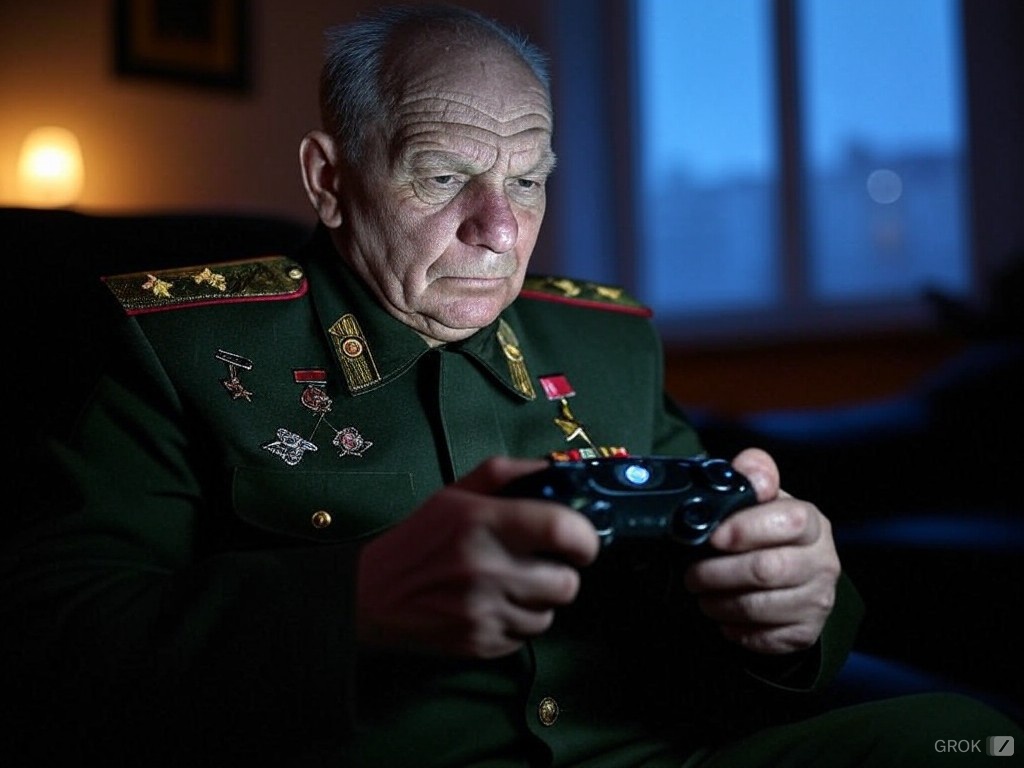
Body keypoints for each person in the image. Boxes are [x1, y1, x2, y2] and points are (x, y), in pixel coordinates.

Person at [1, 4, 1019, 766]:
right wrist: (354, 603)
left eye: (527, 180)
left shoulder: (609, 344)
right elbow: (49, 647)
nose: (499, 228)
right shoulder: (174, 346)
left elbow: (734, 601)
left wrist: (795, 610)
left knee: (963, 736)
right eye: (444, 176)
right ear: (328, 179)